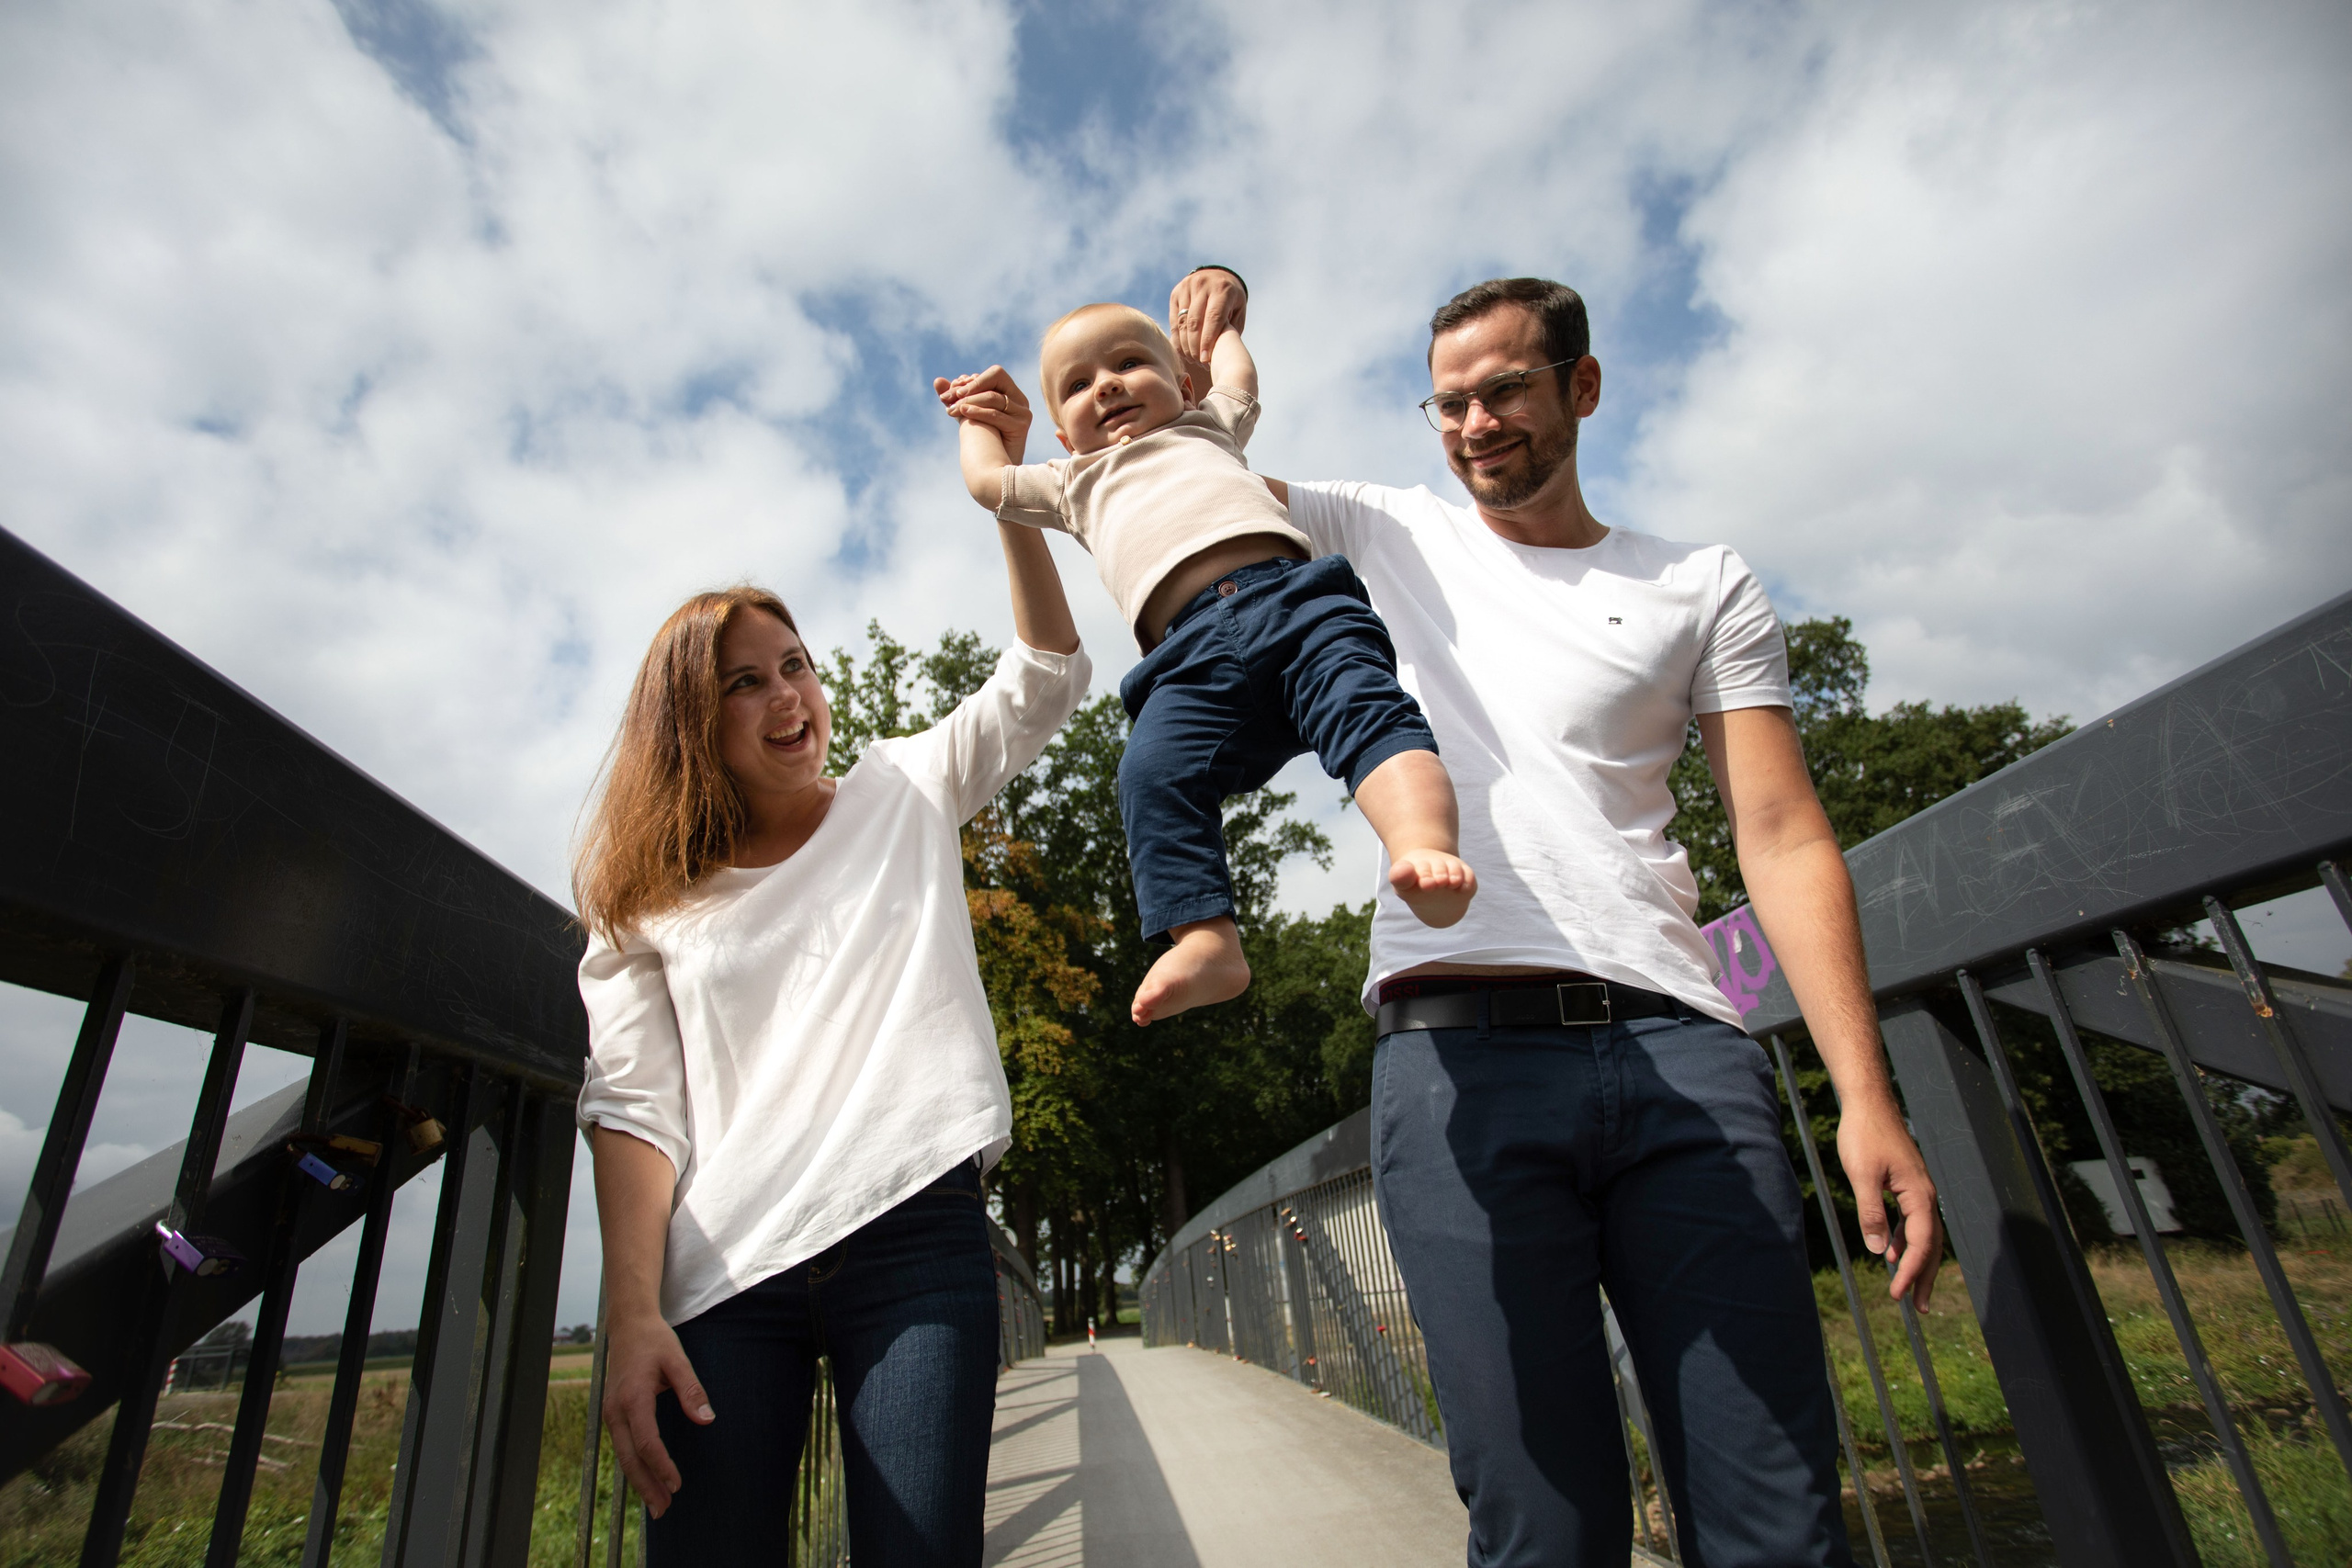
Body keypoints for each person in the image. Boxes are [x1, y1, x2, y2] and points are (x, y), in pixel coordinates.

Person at [1164, 268, 1942, 1568]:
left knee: (1775, 1513)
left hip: (1686, 1052)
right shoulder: (1381, 532)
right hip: (1458, 1053)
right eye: (1451, 401)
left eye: (1507, 389)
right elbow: (1174, 490)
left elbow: (1783, 831)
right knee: (1543, 1523)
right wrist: (1217, 341)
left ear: (1581, 386)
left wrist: (1865, 1092)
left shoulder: (1701, 582)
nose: (1477, 423)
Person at [571, 422, 1089, 1567]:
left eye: (794, 665)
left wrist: (1006, 487)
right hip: (725, 1273)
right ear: (691, 727)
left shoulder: (900, 791)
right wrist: (633, 1311)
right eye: (743, 684)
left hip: (913, 1232)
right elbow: (633, 1110)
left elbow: (1048, 674)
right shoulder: (645, 906)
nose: (787, 696)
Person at [936, 302, 1475, 1028]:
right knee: (1149, 774)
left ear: (1183, 387)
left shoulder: (1206, 427)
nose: (1108, 386)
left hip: (1294, 603)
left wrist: (1220, 335)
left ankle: (1423, 844)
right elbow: (987, 483)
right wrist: (976, 415)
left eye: (1130, 363)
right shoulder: (1072, 481)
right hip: (1184, 661)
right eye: (1079, 383)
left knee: (1367, 707)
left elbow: (1240, 379)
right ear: (1063, 436)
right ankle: (1207, 938)